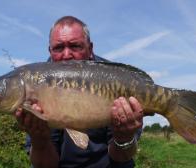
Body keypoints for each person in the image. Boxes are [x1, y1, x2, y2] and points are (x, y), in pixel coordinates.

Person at [15, 16, 144, 168]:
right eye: (58, 48)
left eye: (75, 46)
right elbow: (46, 165)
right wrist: (39, 140)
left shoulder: (116, 79)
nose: (67, 55)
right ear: (50, 51)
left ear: (90, 49)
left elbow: (121, 158)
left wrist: (124, 138)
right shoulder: (37, 84)